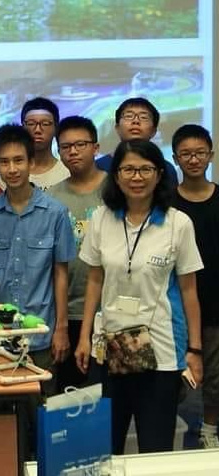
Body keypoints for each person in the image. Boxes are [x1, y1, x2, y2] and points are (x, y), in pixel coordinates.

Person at [75, 140, 203, 454]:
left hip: (159, 347)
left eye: (145, 169)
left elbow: (189, 290)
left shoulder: (178, 223)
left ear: (159, 174)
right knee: (106, 446)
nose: (137, 177)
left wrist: (195, 349)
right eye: (129, 169)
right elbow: (94, 280)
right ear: (115, 176)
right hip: (109, 346)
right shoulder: (103, 218)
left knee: (155, 446)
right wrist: (83, 337)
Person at [0, 124, 75, 392]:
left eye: (19, 160)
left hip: (40, 333)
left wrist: (61, 329)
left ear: (31, 161)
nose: (12, 169)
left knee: (43, 414)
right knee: (1, 418)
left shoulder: (55, 213)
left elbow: (61, 273)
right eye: (4, 162)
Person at [47, 116, 107, 390]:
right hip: (68, 311)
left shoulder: (116, 190)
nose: (72, 151)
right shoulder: (52, 198)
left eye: (80, 144)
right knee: (71, 397)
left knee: (109, 398)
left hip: (110, 311)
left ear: (95, 147)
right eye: (65, 146)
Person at [170, 124, 219, 448]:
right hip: (174, 303)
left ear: (210, 155)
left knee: (213, 377)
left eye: (199, 153)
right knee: (176, 377)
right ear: (175, 158)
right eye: (186, 154)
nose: (193, 159)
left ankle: (210, 431)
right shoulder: (167, 204)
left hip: (215, 302)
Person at [95, 97, 178, 186]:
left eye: (144, 117)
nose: (136, 121)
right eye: (129, 116)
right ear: (117, 128)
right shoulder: (98, 167)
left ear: (153, 131)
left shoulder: (166, 169)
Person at [19, 96, 69, 190]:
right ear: (22, 128)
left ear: (56, 128)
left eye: (45, 124)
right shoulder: (11, 173)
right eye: (31, 124)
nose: (37, 130)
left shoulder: (67, 172)